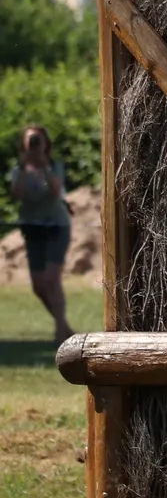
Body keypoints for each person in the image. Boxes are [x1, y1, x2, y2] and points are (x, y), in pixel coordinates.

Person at [7, 125, 75, 345]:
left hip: (56, 225)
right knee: (38, 286)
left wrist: (44, 168)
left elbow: (56, 192)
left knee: (51, 278)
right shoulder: (20, 170)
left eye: (38, 141)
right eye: (31, 141)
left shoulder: (54, 167)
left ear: (46, 144)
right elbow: (16, 195)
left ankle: (59, 332)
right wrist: (27, 166)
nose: (35, 145)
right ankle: (65, 327)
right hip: (33, 227)